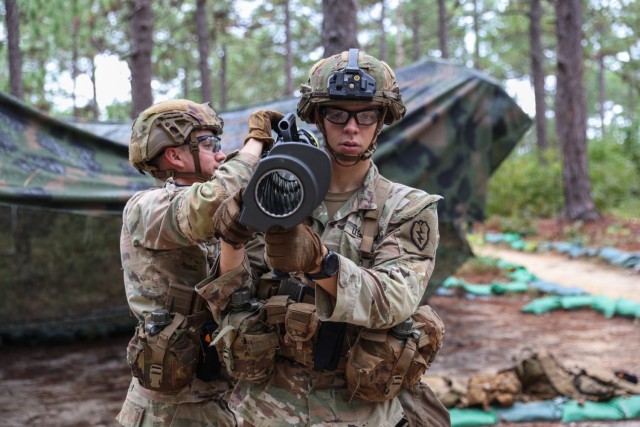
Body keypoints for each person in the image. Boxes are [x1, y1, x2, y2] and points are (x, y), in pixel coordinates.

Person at [197, 49, 450, 426]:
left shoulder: (407, 208)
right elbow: (231, 302)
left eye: (366, 115)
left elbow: (395, 300)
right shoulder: (276, 192)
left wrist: (320, 263)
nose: (352, 127)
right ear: (318, 117)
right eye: (337, 114)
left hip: (360, 411)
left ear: (381, 121)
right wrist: (231, 240)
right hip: (267, 409)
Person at [115, 99, 284, 426]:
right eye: (209, 144)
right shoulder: (147, 208)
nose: (220, 154)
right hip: (169, 408)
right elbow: (214, 199)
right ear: (174, 156)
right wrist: (255, 144)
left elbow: (251, 276)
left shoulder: (217, 212)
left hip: (218, 395)